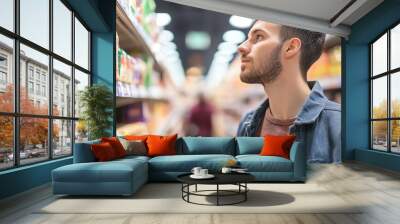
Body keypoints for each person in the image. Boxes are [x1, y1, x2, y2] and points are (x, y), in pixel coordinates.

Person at [236, 20, 341, 163]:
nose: (241, 47)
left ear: (290, 47)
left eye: (258, 37)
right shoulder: (247, 123)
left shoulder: (338, 125)